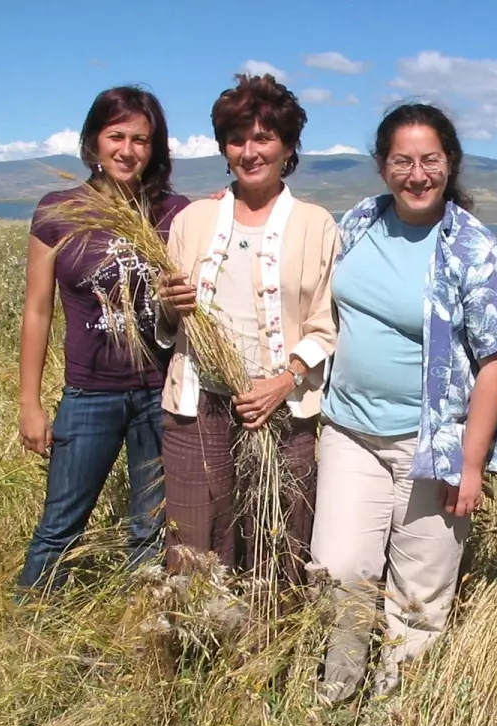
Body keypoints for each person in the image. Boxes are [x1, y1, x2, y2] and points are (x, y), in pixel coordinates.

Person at [312, 103, 497, 701]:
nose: (417, 174)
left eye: (430, 160)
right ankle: (339, 693)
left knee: (420, 593)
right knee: (340, 568)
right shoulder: (355, 224)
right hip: (350, 431)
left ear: (449, 164)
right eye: (402, 161)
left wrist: (472, 464)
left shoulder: (475, 252)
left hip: (433, 445)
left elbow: (495, 365)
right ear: (382, 166)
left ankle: (397, 716)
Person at [155, 74, 337, 586]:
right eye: (237, 139)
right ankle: (195, 650)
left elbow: (327, 324)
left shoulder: (316, 224)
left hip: (280, 411)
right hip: (197, 409)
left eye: (264, 138)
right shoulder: (194, 218)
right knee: (193, 546)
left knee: (276, 543)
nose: (250, 151)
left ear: (288, 146)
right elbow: (165, 322)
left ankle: (267, 653)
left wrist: (284, 382)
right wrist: (168, 306)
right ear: (223, 147)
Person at [17, 86, 189, 595]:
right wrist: (29, 402)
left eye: (141, 139)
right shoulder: (58, 210)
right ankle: (31, 631)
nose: (128, 149)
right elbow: (37, 309)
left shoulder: (174, 212)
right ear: (93, 141)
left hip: (160, 395)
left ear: (155, 149)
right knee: (59, 527)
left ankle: (142, 633)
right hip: (89, 394)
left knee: (151, 529)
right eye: (116, 135)